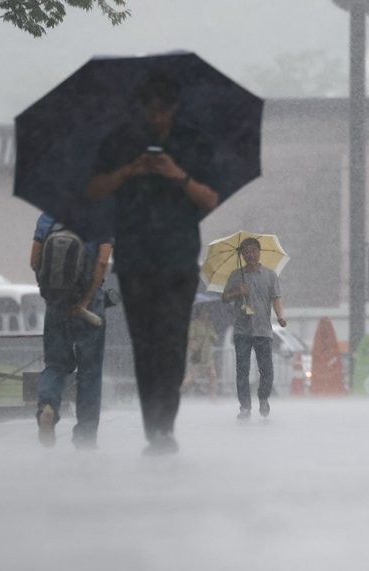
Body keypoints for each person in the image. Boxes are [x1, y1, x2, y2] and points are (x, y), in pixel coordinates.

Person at [87, 72, 220, 455]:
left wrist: (178, 175)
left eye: (165, 110)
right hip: (134, 258)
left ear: (175, 108)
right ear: (143, 108)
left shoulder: (193, 141)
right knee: (144, 344)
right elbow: (94, 188)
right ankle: (154, 429)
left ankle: (166, 424)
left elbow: (209, 198)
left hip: (178, 257)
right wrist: (130, 170)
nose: (159, 117)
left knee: (172, 343)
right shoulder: (121, 141)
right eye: (152, 110)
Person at [30, 212, 112, 449]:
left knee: (55, 364)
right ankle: (85, 438)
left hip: (56, 304)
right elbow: (103, 261)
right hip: (90, 306)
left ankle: (48, 408)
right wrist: (86, 300)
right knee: (89, 372)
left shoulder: (48, 217)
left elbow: (35, 261)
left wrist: (52, 293)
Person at [221, 237, 287, 420]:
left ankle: (263, 398)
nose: (250, 254)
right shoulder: (236, 275)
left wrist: (281, 316)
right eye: (246, 252)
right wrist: (237, 292)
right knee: (242, 370)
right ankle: (245, 407)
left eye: (253, 251)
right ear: (242, 255)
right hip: (242, 330)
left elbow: (276, 298)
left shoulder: (270, 275)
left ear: (259, 252)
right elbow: (224, 298)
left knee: (267, 370)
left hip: (263, 330)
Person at [182, 309, 219, 401]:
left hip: (207, 354)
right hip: (197, 354)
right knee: (191, 378)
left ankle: (213, 396)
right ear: (199, 314)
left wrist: (212, 335)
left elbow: (215, 338)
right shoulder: (194, 324)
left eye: (207, 312)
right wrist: (194, 346)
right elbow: (190, 339)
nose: (207, 314)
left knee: (213, 375)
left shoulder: (209, 325)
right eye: (205, 312)